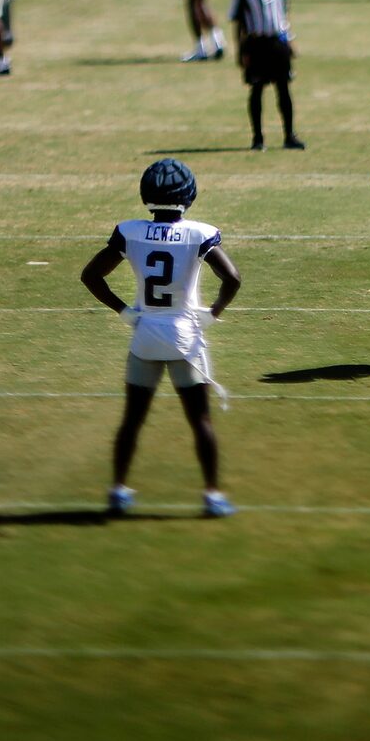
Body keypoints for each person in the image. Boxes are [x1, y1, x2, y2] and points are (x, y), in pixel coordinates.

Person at [79, 158, 240, 519]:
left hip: (146, 336)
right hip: (185, 338)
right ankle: (213, 495)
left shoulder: (129, 231)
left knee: (132, 419)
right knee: (201, 421)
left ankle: (119, 490)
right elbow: (233, 278)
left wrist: (124, 311)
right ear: (188, 194)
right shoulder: (200, 233)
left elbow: (91, 276)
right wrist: (213, 313)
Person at [230, 0, 302, 151]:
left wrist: (289, 40)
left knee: (284, 89)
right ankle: (258, 137)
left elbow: (284, 14)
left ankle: (289, 135)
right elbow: (238, 20)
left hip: (277, 42)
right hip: (256, 44)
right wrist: (241, 51)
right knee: (257, 89)